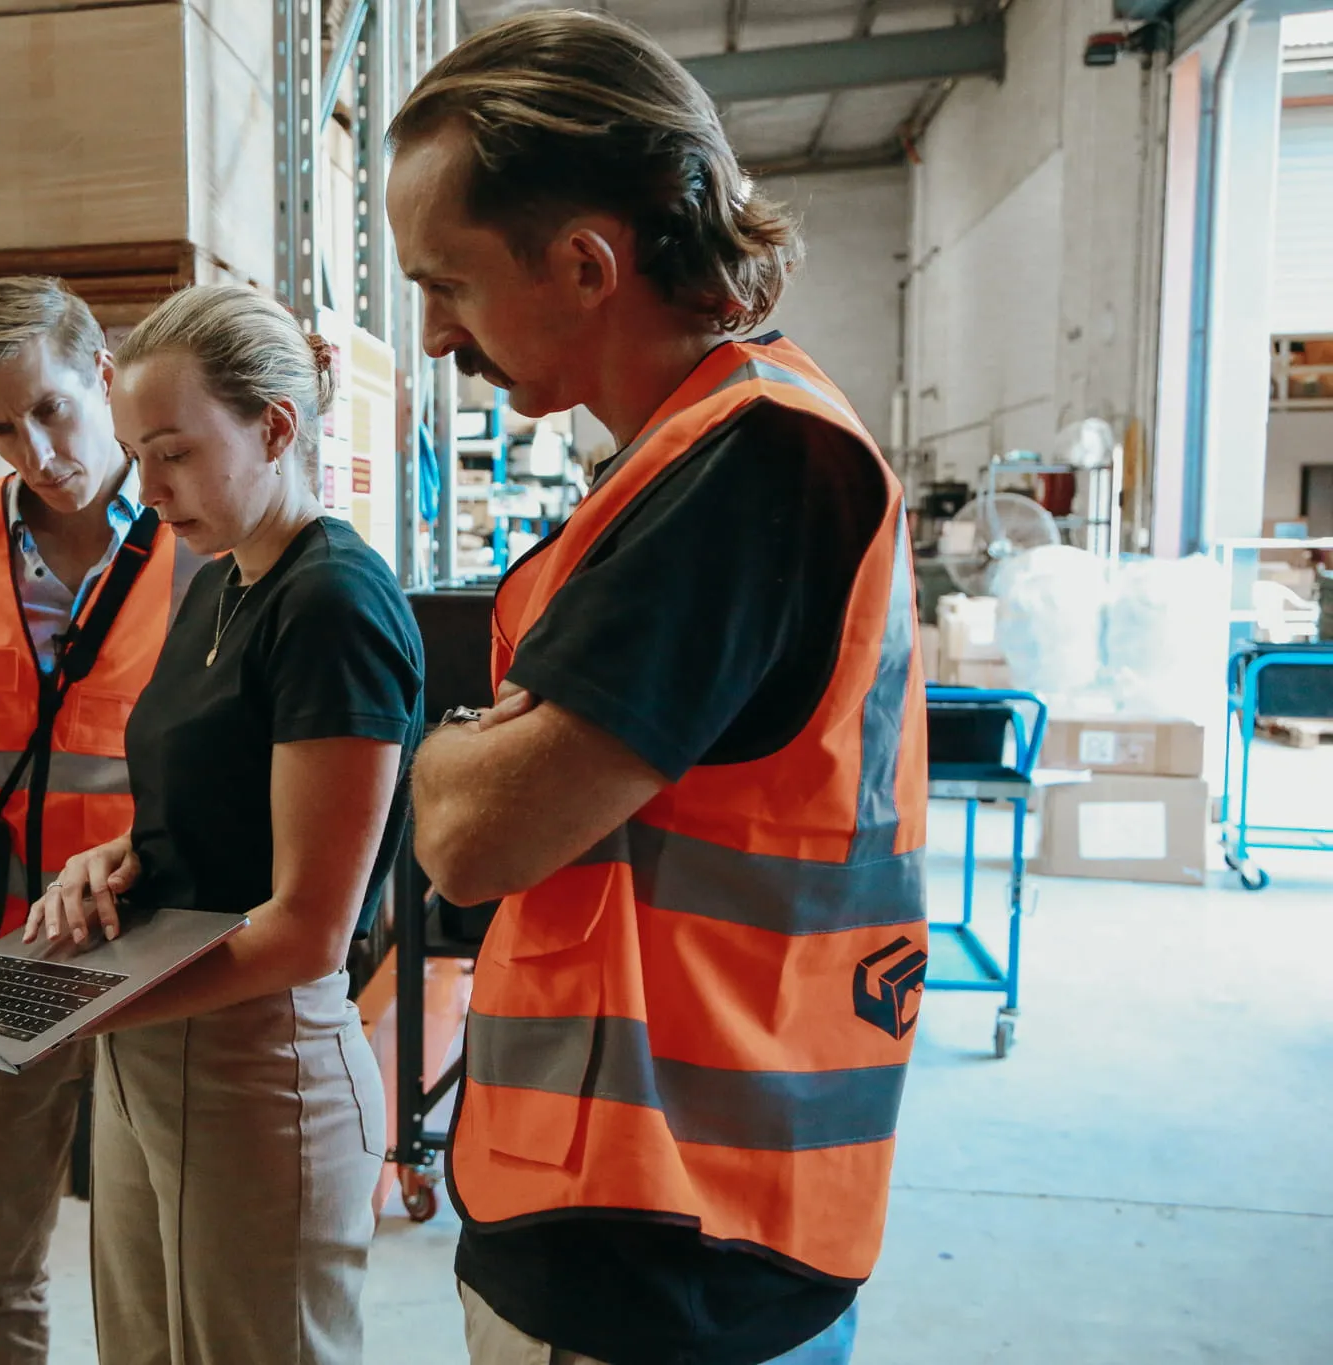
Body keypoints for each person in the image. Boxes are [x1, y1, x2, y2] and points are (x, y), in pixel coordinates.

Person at [388, 13, 929, 1365]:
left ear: (584, 264)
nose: (437, 333)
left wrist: (448, 748)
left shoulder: (745, 473)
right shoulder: (690, 458)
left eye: (448, 282)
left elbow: (468, 836)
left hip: (660, 1244)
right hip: (674, 1205)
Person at [25, 283, 424, 1365]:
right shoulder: (217, 583)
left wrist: (64, 1011)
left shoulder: (333, 603)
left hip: (260, 1062)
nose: (146, 489)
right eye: (133, 455)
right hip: (150, 1042)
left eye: (173, 454)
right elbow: (201, 807)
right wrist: (113, 857)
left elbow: (304, 930)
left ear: (274, 428)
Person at [0, 275, 195, 1365]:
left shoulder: (201, 538)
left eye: (51, 409)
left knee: (155, 1257)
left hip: (152, 946)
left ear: (101, 376)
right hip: (2, 940)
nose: (35, 448)